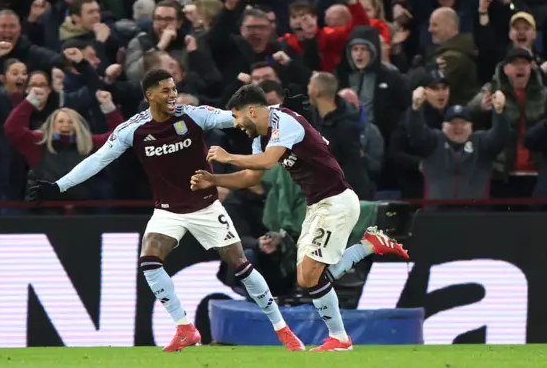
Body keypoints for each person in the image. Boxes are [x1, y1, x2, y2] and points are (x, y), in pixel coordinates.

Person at [26, 69, 303, 352]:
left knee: (241, 265)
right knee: (149, 260)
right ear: (149, 95)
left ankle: (282, 329)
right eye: (166, 91)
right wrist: (59, 187)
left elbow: (239, 117)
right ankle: (184, 327)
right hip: (168, 211)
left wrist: (280, 111)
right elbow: (97, 160)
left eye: (174, 89)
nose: (173, 95)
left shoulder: (194, 115)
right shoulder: (132, 129)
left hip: (205, 206)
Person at [190, 82, 409, 352]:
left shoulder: (285, 122)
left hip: (336, 202)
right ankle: (368, 247)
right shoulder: (261, 137)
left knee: (311, 275)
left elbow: (268, 162)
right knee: (307, 279)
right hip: (316, 206)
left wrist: (228, 156)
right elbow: (251, 177)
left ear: (251, 111)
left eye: (236, 117)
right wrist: (214, 179)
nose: (236, 124)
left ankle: (340, 338)